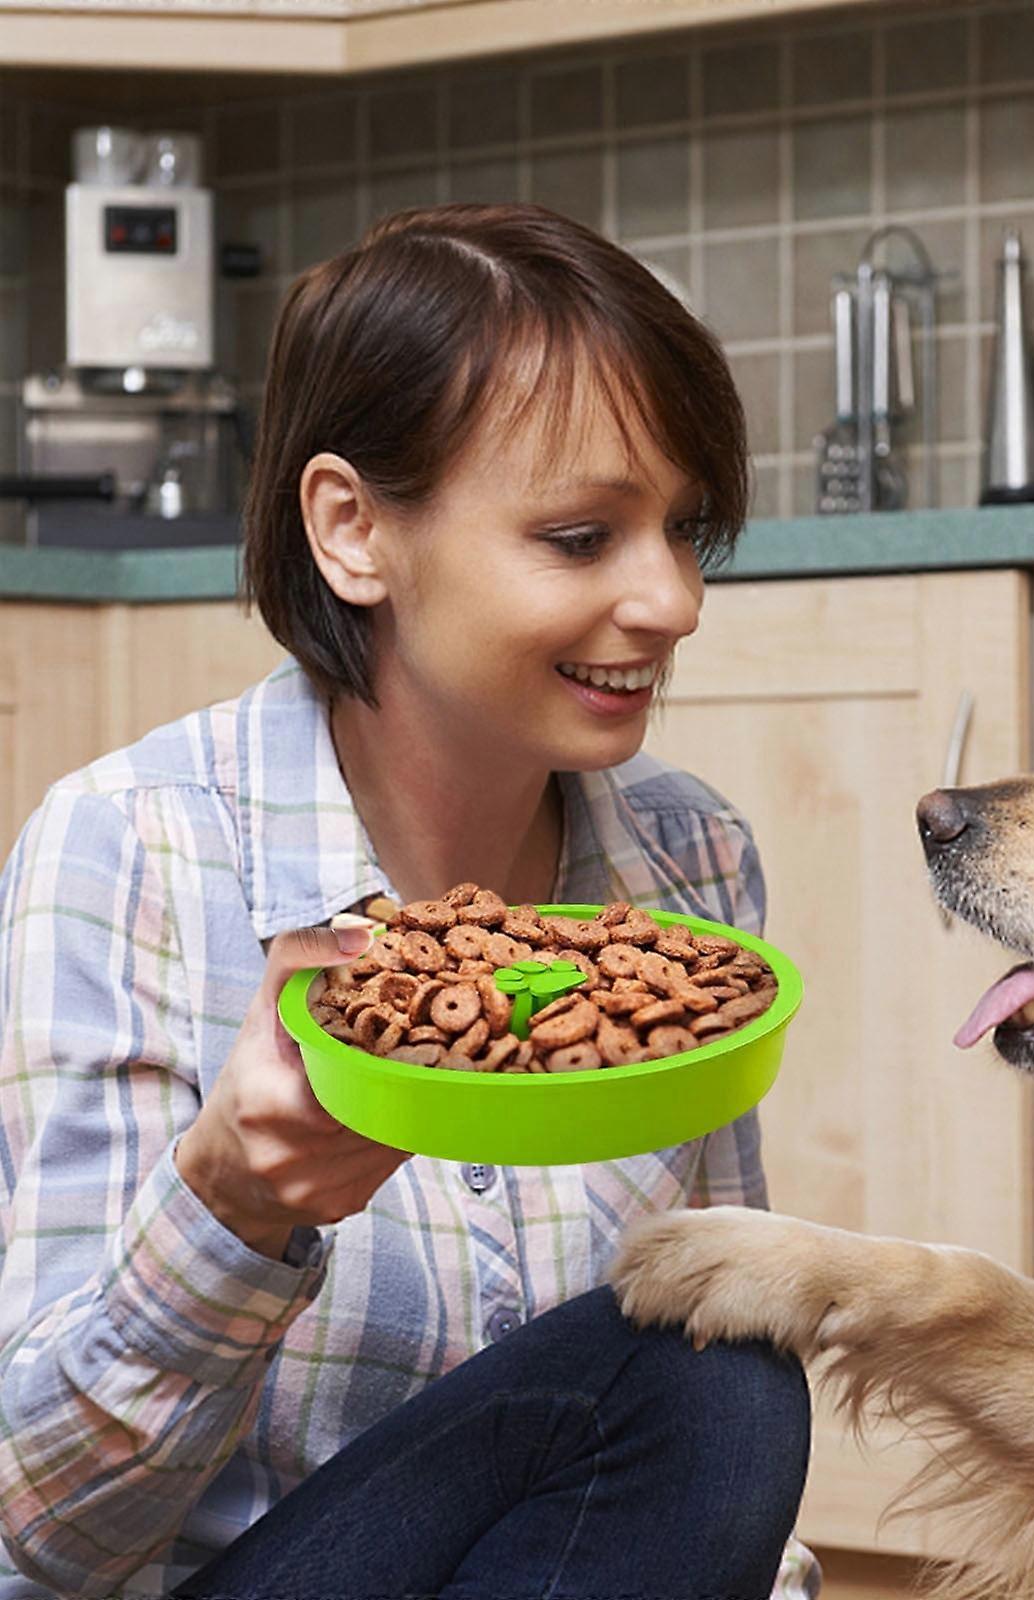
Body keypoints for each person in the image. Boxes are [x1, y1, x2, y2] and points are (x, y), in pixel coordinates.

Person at [0, 203, 817, 1600]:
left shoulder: (693, 864)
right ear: (353, 529)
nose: (673, 599)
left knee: (721, 1355)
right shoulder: (133, 851)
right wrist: (231, 1210)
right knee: (703, 1378)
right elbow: (39, 1542)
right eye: (581, 536)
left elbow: (690, 1479)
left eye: (685, 531)